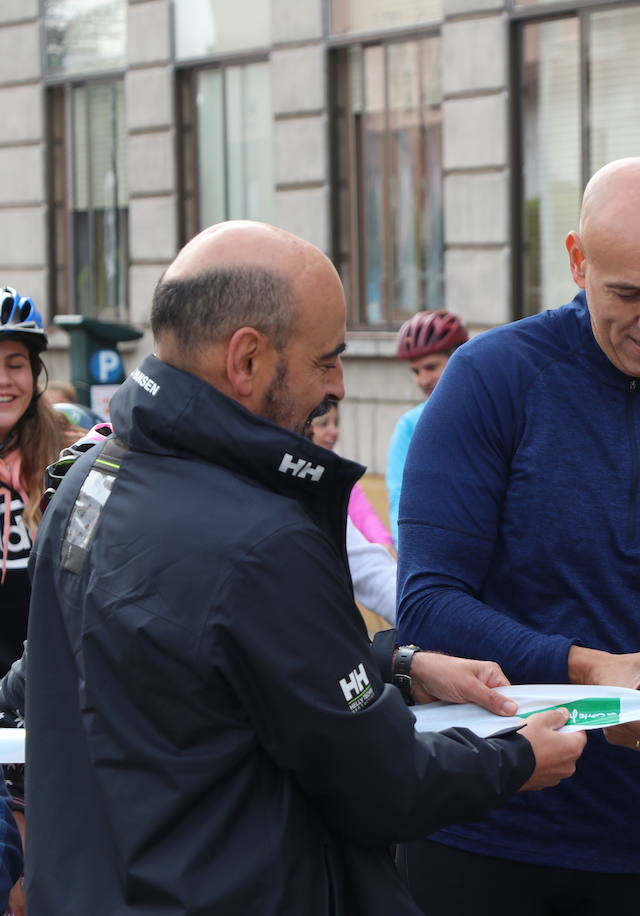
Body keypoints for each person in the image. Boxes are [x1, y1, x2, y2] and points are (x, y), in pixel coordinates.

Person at [21, 221, 586, 914]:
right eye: (327, 359)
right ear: (247, 360)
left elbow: (187, 669)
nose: (341, 385)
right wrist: (520, 758)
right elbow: (382, 782)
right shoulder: (259, 537)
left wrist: (397, 665)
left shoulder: (92, 476)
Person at [396, 159, 640, 915]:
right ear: (578, 262)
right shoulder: (491, 376)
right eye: (626, 294)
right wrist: (581, 667)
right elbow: (425, 602)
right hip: (478, 812)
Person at [0, 288, 67, 675]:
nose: (5, 380)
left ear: (35, 372)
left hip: (47, 698)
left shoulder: (76, 457)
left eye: (15, 364)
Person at [387, 309, 467, 538]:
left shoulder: (495, 412)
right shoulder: (409, 426)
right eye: (415, 371)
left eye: (431, 367)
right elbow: (399, 498)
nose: (423, 380)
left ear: (459, 358)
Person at [311, 402, 393, 548]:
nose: (334, 431)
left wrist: (385, 545)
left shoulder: (339, 474)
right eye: (323, 424)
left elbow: (365, 516)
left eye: (336, 423)